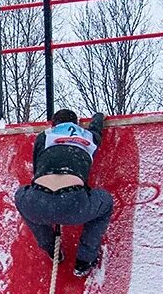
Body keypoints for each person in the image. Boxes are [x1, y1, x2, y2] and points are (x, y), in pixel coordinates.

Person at [14, 108, 110, 277]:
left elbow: (37, 170)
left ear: (53, 124)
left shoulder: (44, 136)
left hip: (39, 200)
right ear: (77, 124)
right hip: (74, 203)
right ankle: (84, 259)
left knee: (21, 197)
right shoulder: (88, 137)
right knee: (106, 203)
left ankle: (51, 247)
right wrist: (98, 117)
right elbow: (96, 130)